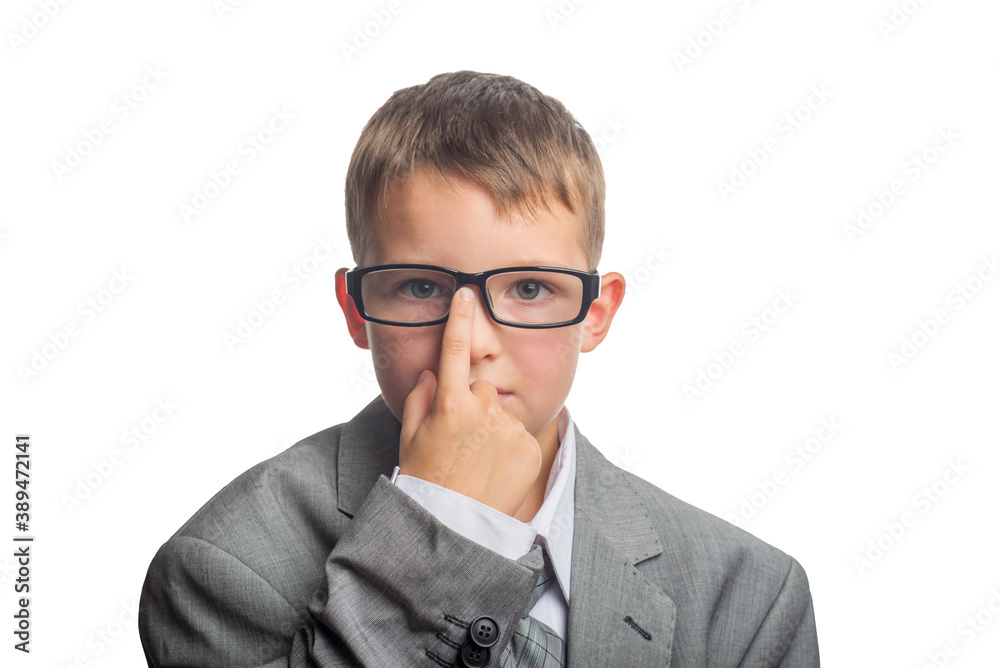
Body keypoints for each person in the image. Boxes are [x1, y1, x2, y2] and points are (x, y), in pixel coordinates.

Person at [139, 70, 819, 667]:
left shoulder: (752, 597)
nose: (472, 342)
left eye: (529, 289)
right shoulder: (221, 571)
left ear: (597, 313)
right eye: (421, 287)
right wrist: (447, 524)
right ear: (356, 310)